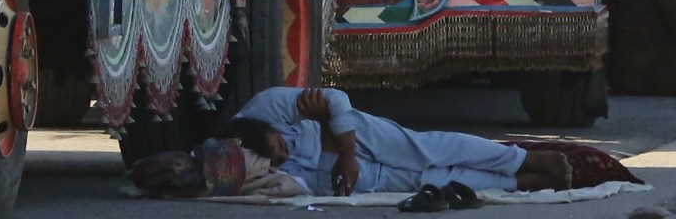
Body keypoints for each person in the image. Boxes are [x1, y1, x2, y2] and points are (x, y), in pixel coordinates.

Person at [224, 87, 571, 198]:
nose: (284, 152)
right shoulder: (256, 169)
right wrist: (333, 147)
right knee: (428, 183)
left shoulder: (265, 106)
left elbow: (335, 99)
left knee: (431, 150)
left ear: (263, 127)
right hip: (337, 165)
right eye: (279, 157)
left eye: (280, 143)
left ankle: (526, 160)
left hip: (355, 135)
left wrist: (345, 150)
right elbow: (320, 187)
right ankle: (519, 183)